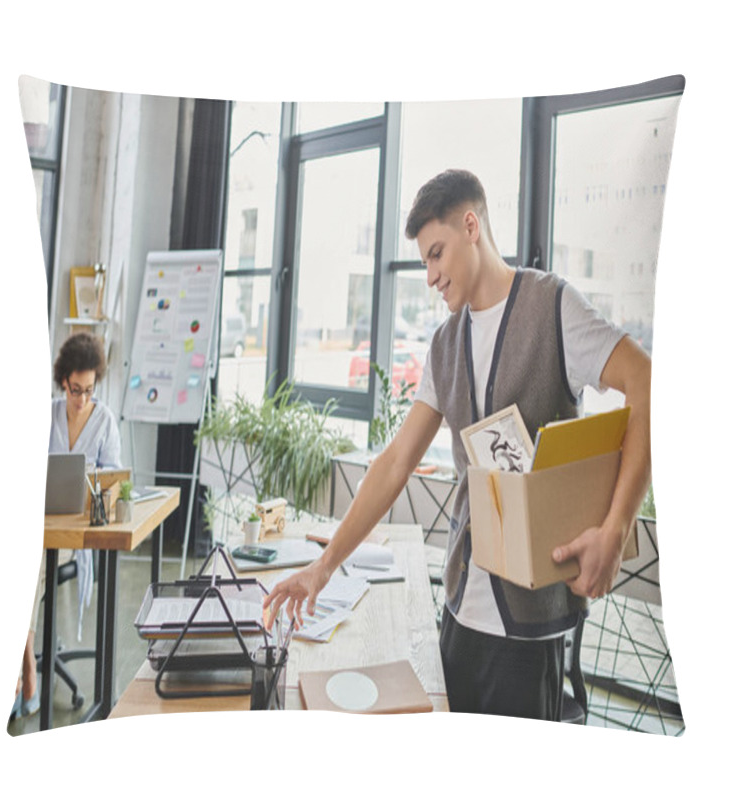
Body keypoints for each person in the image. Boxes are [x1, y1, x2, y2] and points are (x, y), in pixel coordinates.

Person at [263, 169, 651, 721]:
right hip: (461, 618)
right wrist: (323, 568)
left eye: (436, 254)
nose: (430, 275)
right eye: (424, 261)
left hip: (533, 625)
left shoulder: (554, 307)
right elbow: (397, 461)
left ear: (472, 226)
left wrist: (614, 530)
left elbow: (649, 384)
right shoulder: (445, 343)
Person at [10, 332, 122, 721]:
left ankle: (22, 676)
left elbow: (114, 481)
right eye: (76, 390)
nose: (82, 399)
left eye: (90, 390)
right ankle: (25, 669)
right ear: (63, 382)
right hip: (37, 524)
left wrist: (99, 497)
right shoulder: (46, 413)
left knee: (25, 572)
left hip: (75, 535)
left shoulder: (105, 421)